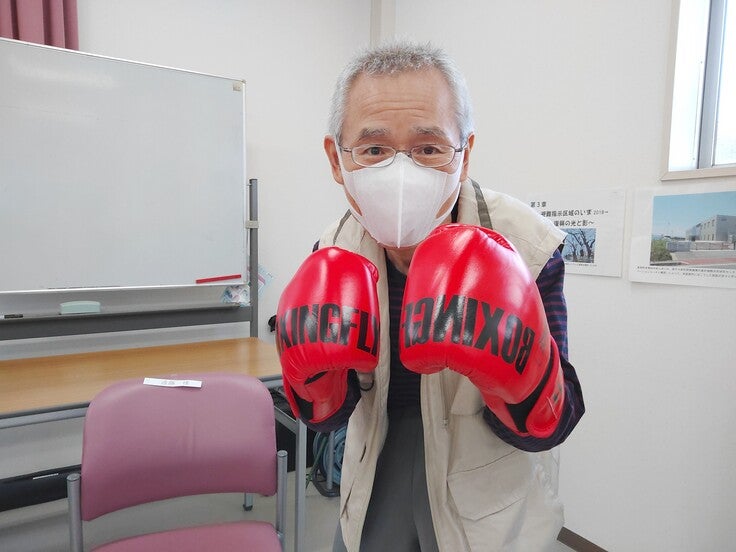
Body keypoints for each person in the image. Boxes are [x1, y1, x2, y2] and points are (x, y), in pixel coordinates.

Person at [275, 41, 585, 552]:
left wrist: (520, 373)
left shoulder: (528, 246)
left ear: (463, 155)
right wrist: (314, 385)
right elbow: (326, 418)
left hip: (484, 493)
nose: (401, 173)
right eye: (374, 149)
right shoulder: (333, 248)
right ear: (336, 157)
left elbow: (554, 421)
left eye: (428, 148)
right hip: (376, 463)